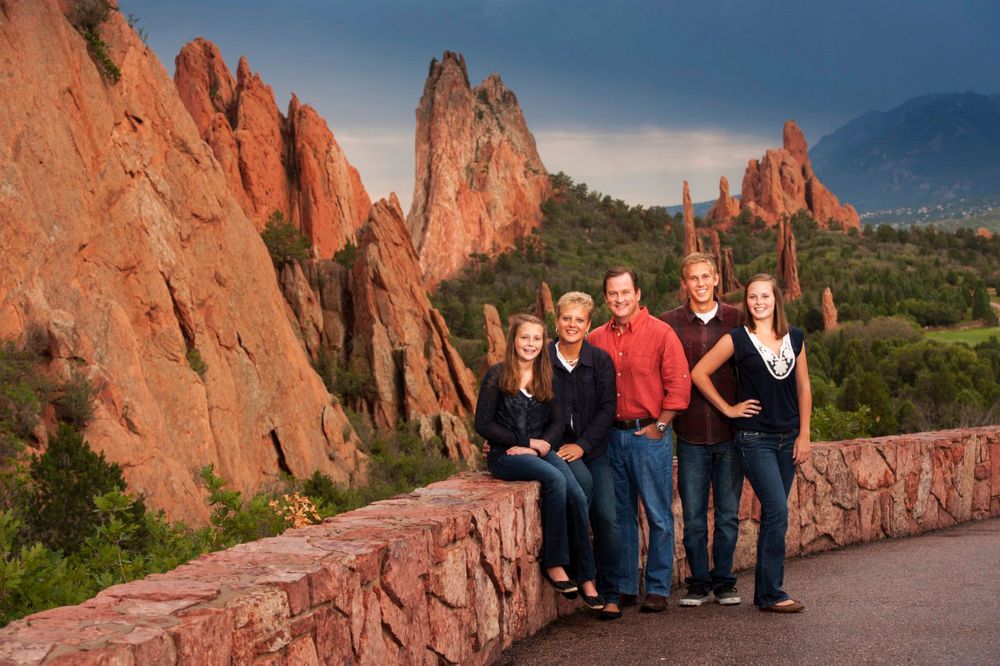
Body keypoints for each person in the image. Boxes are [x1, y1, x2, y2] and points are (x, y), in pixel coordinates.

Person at [691, 273, 813, 613]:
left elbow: (804, 388)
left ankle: (767, 592)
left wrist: (804, 434)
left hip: (789, 438)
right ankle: (771, 594)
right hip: (754, 437)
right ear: (747, 303)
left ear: (776, 300)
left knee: (775, 514)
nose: (759, 303)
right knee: (777, 510)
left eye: (765, 297)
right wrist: (729, 409)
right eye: (753, 297)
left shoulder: (795, 337)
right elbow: (699, 373)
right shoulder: (738, 339)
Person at [474, 314, 605, 610]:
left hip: (540, 451)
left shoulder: (548, 376)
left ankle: (586, 576)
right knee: (555, 480)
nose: (530, 344)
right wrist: (526, 443)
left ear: (543, 342)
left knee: (578, 495)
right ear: (513, 341)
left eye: (536, 338)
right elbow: (483, 424)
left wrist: (538, 447)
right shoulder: (497, 375)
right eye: (524, 337)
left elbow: (557, 423)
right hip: (505, 455)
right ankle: (555, 563)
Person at [588, 267, 690, 613]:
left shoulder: (661, 333)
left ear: (638, 294)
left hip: (649, 435)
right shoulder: (595, 339)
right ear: (606, 297)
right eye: (613, 294)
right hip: (610, 438)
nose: (619, 299)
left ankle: (658, 587)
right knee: (621, 517)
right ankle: (626, 585)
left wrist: (660, 427)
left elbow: (679, 387)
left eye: (625, 292)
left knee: (658, 513)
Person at [661, 253, 746, 607]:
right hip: (690, 434)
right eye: (693, 278)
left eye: (705, 277)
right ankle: (698, 582)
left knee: (727, 514)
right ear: (685, 283)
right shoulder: (669, 323)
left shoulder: (737, 319)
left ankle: (724, 580)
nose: (700, 283)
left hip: (730, 432)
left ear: (715, 279)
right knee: (694, 516)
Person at [548, 292, 620, 620]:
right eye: (567, 318)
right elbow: (524, 404)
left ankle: (610, 593)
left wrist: (584, 445)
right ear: (557, 321)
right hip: (557, 450)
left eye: (579, 319)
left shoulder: (600, 360)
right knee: (580, 492)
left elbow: (608, 409)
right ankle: (584, 576)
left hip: (594, 450)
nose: (572, 325)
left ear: (589, 325)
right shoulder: (542, 360)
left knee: (606, 517)